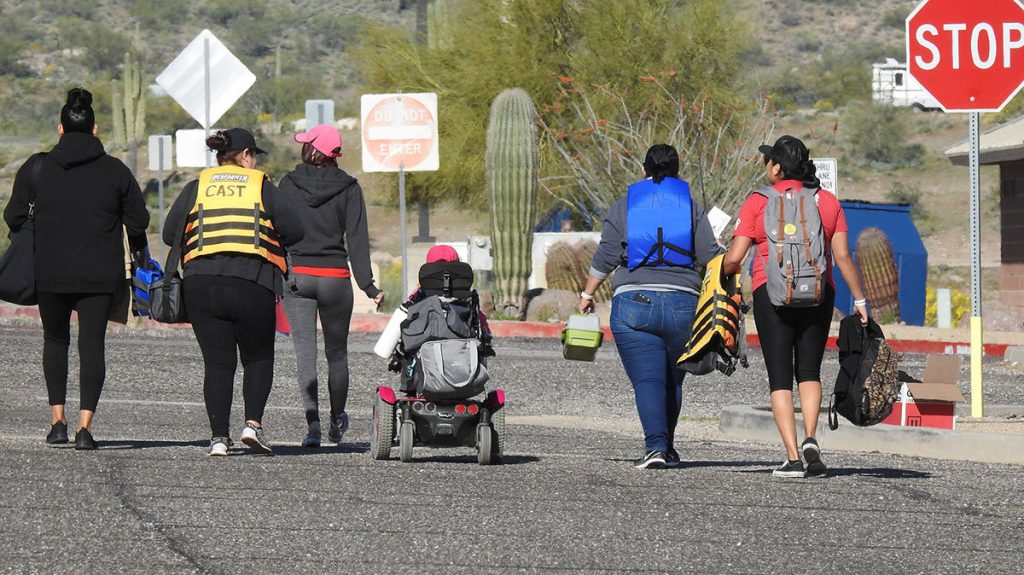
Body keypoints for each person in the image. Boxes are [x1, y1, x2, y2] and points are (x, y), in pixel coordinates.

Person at [3, 87, 151, 450]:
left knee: (55, 341)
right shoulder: (115, 170)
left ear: (60, 129)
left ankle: (57, 422)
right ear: (95, 130)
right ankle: (85, 428)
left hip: (50, 271)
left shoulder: (37, 167)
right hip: (100, 275)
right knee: (91, 346)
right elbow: (139, 220)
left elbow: (13, 216)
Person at [722, 135, 868, 478]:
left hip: (770, 294)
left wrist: (722, 270)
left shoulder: (758, 201)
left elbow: (735, 259)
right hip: (819, 295)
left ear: (777, 167)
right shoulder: (828, 201)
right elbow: (843, 257)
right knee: (809, 371)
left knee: (780, 377)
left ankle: (791, 456)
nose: (765, 167)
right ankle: (811, 438)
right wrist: (860, 301)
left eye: (768, 161)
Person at [577, 144, 722, 469]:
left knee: (648, 381)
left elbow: (607, 255)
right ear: (677, 171)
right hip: (683, 304)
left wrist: (587, 295)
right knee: (674, 380)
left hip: (633, 305)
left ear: (644, 170)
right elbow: (709, 256)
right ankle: (666, 449)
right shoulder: (691, 207)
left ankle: (656, 447)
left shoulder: (625, 205)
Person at [163, 128, 304, 456]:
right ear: (244, 156)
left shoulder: (197, 186)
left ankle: (218, 438)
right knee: (257, 357)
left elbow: (172, 234)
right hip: (252, 283)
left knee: (217, 363)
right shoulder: (261, 186)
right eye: (254, 155)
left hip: (201, 285)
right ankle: (252, 426)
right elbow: (295, 231)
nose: (255, 161)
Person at [278, 124, 382, 448]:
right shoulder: (350, 187)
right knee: (337, 355)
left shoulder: (288, 184)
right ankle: (337, 421)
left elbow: (277, 231)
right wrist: (369, 286)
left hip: (297, 277)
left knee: (305, 354)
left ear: (312, 150)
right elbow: (358, 240)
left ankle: (313, 428)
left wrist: (277, 271)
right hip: (336, 279)